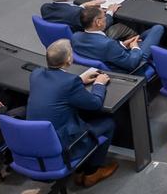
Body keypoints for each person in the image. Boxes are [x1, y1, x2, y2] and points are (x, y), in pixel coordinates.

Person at [26, 39, 116, 185]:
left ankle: (83, 167)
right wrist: (99, 84)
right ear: (69, 59)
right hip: (63, 145)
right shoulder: (69, 82)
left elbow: (56, 86)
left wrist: (79, 80)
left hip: (36, 142)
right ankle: (92, 173)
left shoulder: (36, 74)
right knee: (108, 122)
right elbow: (95, 104)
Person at [74, 0, 162, 73]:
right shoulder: (108, 44)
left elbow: (104, 51)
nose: (105, 18)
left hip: (111, 61)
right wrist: (135, 48)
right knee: (158, 28)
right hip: (131, 70)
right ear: (98, 22)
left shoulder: (75, 37)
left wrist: (123, 45)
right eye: (104, 16)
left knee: (142, 36)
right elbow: (131, 64)